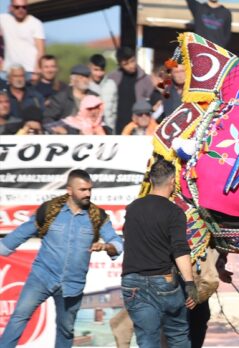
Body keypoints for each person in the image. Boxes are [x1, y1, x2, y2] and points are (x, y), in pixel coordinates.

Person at [0, 170, 123, 347]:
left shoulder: (98, 216)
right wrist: (4, 248)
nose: (87, 193)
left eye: (90, 189)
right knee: (19, 317)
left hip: (72, 284)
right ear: (70, 190)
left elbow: (116, 243)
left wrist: (106, 247)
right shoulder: (50, 211)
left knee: (66, 330)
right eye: (82, 189)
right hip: (41, 277)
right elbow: (21, 233)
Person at [121, 159, 198, 347]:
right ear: (172, 181)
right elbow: (180, 249)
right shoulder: (174, 212)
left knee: (147, 340)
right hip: (163, 282)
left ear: (152, 180)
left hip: (132, 283)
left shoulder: (132, 208)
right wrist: (189, 283)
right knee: (178, 337)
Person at [108, 47, 155, 134]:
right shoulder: (112, 78)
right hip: (118, 125)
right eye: (126, 64)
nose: (131, 65)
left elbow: (153, 99)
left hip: (139, 126)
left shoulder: (145, 78)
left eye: (132, 61)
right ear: (120, 65)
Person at [0, 0, 44, 76]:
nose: (21, 10)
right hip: (8, 71)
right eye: (17, 7)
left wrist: (37, 70)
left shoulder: (35, 23)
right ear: (11, 8)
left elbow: (40, 50)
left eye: (24, 7)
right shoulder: (3, 19)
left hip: (29, 71)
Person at [46, 95, 110, 135]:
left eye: (96, 108)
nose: (93, 112)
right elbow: (46, 128)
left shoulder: (106, 129)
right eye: (89, 109)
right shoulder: (70, 124)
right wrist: (66, 133)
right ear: (83, 109)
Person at [88, 53, 118, 130]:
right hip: (88, 131)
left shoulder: (111, 84)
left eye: (101, 70)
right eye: (96, 70)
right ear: (89, 68)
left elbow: (114, 110)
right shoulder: (85, 86)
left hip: (109, 131)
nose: (99, 74)